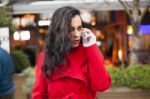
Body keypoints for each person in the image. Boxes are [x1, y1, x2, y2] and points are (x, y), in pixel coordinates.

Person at [32, 6, 111, 99]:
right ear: (59, 31)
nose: (77, 34)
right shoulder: (47, 57)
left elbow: (102, 85)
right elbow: (38, 95)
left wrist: (92, 46)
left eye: (79, 28)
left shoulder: (88, 52)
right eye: (71, 29)